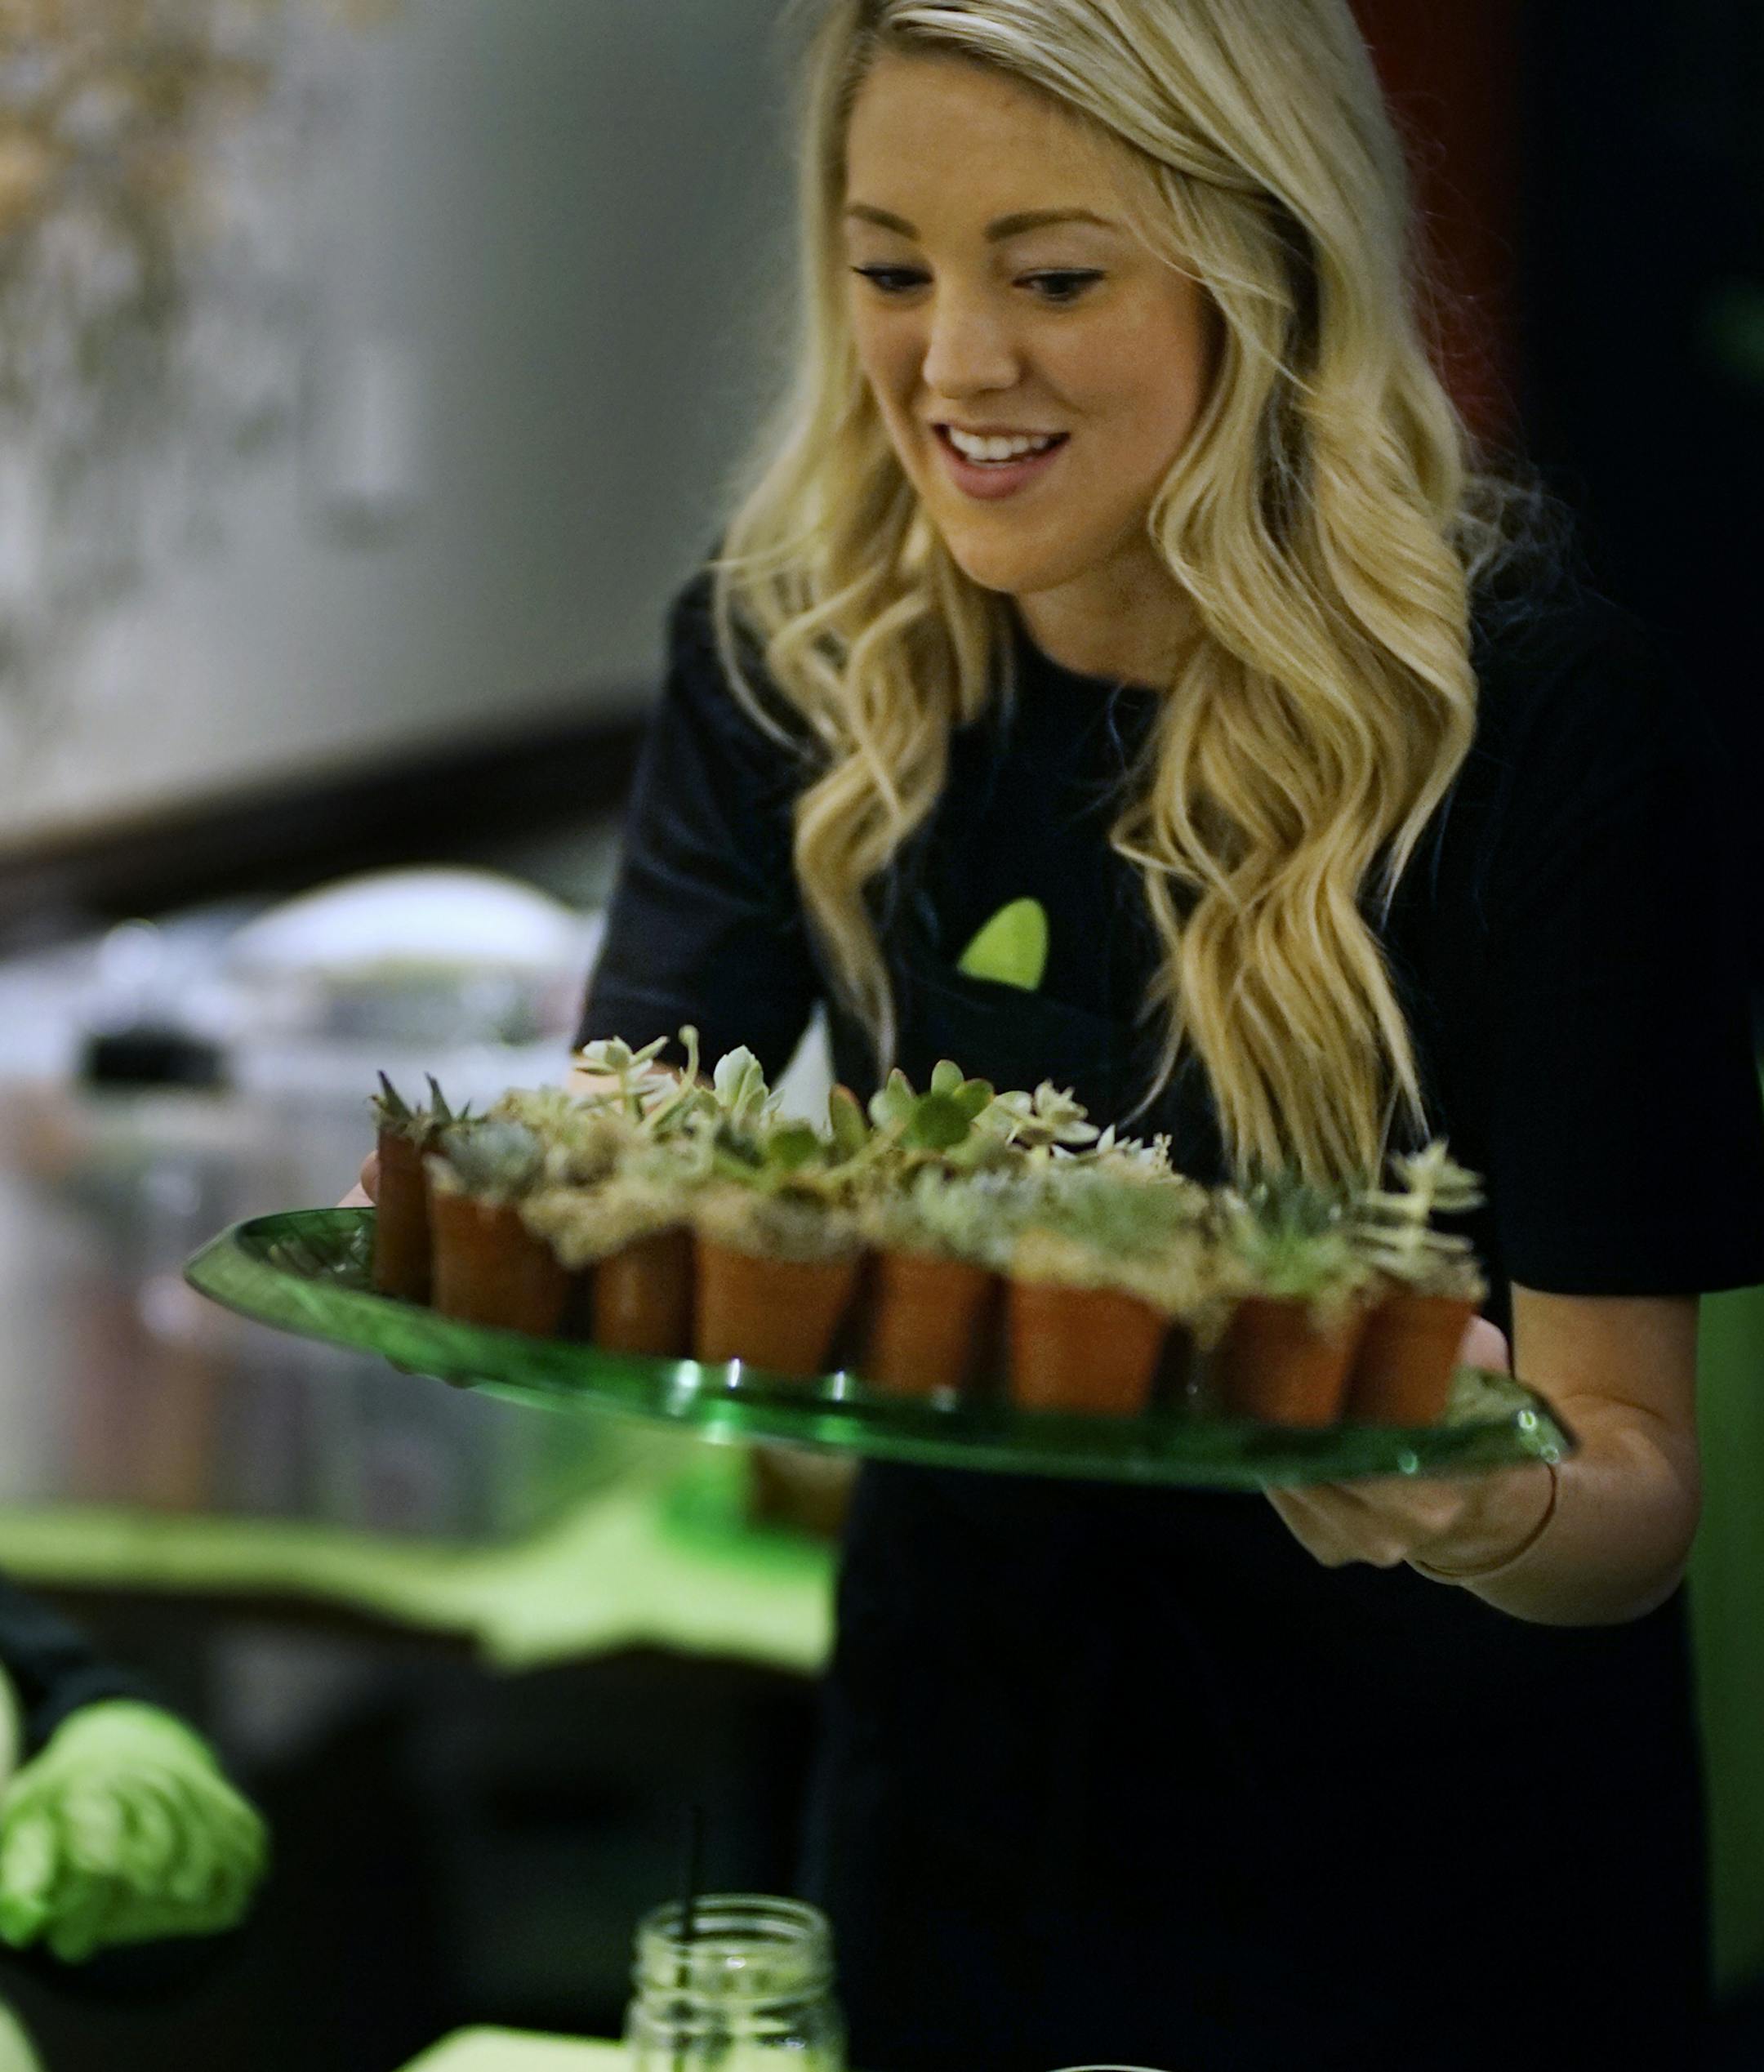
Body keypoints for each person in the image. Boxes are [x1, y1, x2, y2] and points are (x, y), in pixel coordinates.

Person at [550, 2, 1764, 2065]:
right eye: (889, 268)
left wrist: (1490, 1501)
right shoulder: (785, 669)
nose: (953, 367)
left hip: (1443, 1916)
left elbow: (1634, 1504)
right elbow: (626, 1175)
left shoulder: (1544, 728)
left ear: (1264, 274)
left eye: (1054, 276)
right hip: (957, 1839)